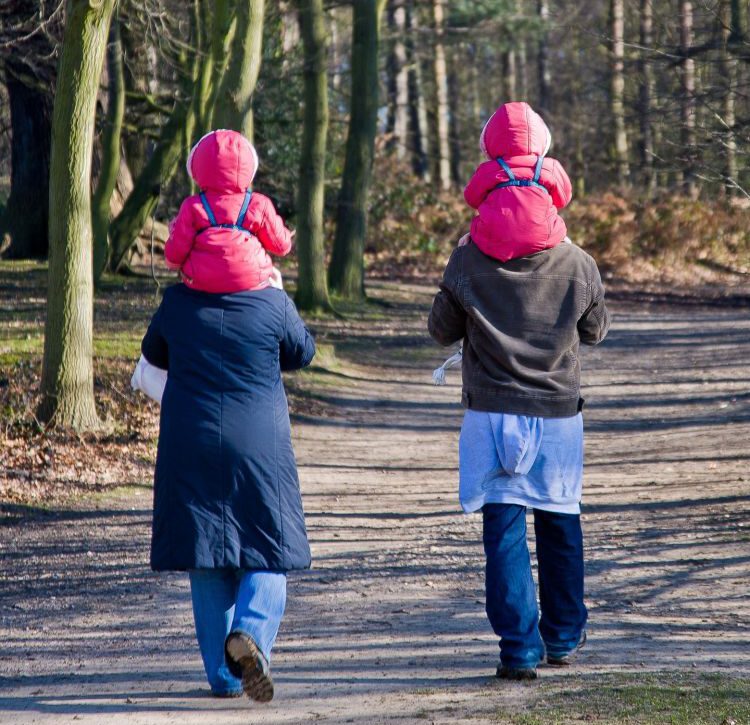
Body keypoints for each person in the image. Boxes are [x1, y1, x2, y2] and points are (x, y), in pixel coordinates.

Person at [427, 109, 610, 681]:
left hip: (490, 415)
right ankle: (562, 635)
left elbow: (440, 329)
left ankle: (519, 649)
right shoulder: (576, 261)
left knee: (503, 530)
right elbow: (595, 331)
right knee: (560, 522)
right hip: (556, 415)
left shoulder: (467, 255)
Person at [140, 276, 315, 701]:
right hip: (258, 444)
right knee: (271, 549)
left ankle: (225, 676)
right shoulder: (271, 300)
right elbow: (302, 351)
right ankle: (250, 633)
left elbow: (153, 354)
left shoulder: (177, 302)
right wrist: (273, 291)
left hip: (191, 441)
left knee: (206, 557)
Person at [432, 101, 574, 383]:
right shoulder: (550, 168)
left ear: (489, 141)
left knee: (467, 242)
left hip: (492, 239)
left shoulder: (488, 171)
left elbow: (471, 197)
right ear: (543, 140)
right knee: (565, 241)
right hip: (544, 237)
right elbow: (564, 197)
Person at [164, 128, 293, 294]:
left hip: (201, 284)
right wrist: (286, 234)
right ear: (249, 165)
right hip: (252, 284)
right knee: (286, 313)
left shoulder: (192, 206)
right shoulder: (259, 204)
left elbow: (173, 258)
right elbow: (281, 246)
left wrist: (173, 236)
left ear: (197, 166)